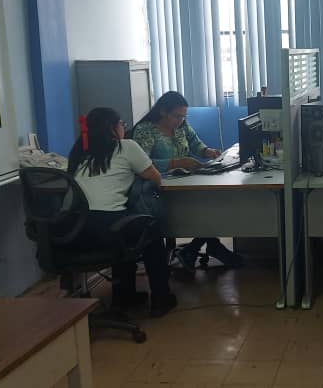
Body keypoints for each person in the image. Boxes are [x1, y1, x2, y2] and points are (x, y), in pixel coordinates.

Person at [67, 107, 177, 317]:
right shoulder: (126, 146)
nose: (123, 128)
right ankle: (161, 298)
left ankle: (124, 295)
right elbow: (156, 178)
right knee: (150, 229)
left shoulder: (78, 152)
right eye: (121, 124)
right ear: (112, 128)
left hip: (75, 228)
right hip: (107, 227)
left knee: (126, 225)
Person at [130, 91, 244, 271]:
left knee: (211, 202)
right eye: (177, 116)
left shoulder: (182, 126)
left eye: (184, 116)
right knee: (202, 208)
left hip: (184, 180)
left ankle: (196, 248)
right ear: (163, 111)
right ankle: (207, 247)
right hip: (159, 186)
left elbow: (195, 143)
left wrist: (208, 151)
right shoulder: (145, 130)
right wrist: (175, 163)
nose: (181, 120)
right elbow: (142, 164)